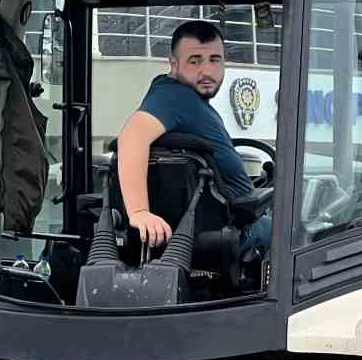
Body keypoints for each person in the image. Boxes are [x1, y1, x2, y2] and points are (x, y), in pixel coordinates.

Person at [115, 20, 270, 261]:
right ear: (174, 64)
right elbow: (131, 138)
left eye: (214, 60)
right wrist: (139, 212)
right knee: (305, 233)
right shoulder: (173, 97)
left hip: (227, 223)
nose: (207, 71)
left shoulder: (188, 100)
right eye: (195, 61)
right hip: (238, 231)